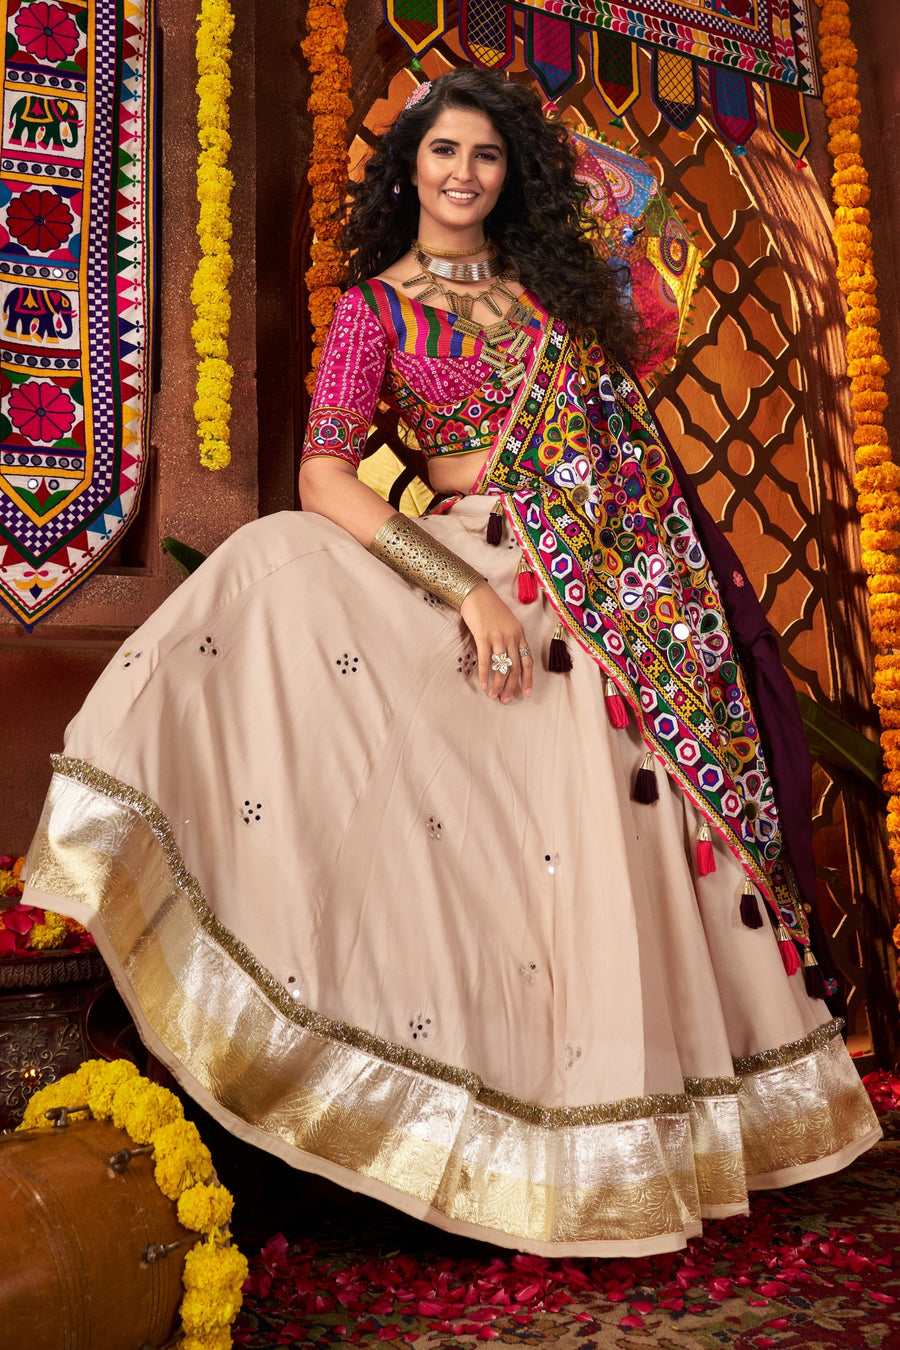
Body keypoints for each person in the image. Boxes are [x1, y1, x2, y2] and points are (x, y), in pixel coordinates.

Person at [22, 67, 879, 1257]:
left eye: (485, 155)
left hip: (606, 594)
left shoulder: (556, 304)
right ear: (408, 169)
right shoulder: (377, 313)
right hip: (469, 577)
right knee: (284, 578)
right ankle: (467, 1141)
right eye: (443, 153)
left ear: (507, 174)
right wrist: (461, 586)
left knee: (600, 859)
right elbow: (325, 473)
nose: (464, 174)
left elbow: (631, 429)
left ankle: (626, 1150)